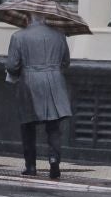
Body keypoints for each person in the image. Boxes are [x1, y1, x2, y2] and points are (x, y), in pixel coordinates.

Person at [5, 12, 72, 179]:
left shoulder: (18, 37)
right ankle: (54, 160)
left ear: (28, 18)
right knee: (53, 127)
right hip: (55, 82)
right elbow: (66, 62)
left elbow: (12, 66)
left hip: (30, 82)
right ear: (45, 19)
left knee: (28, 125)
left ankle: (31, 166)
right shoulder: (59, 36)